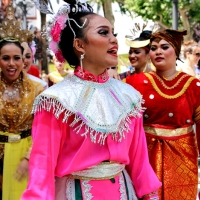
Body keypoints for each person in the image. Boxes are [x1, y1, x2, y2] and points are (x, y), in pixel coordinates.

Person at [21, 1, 161, 199]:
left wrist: (149, 195)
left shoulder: (129, 96)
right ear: (79, 45)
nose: (114, 40)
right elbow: (42, 167)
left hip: (123, 191)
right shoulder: (57, 100)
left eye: (113, 33)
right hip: (75, 193)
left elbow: (140, 162)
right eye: (104, 33)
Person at [126, 29, 200, 199]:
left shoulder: (194, 86)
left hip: (183, 159)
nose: (158, 51)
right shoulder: (134, 83)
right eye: (153, 48)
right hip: (144, 158)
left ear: (176, 51)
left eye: (164, 47)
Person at [0, 5, 44, 200]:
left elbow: (43, 129)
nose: (12, 63)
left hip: (27, 156)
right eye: (5, 58)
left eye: (16, 58)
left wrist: (29, 157)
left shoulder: (37, 89)